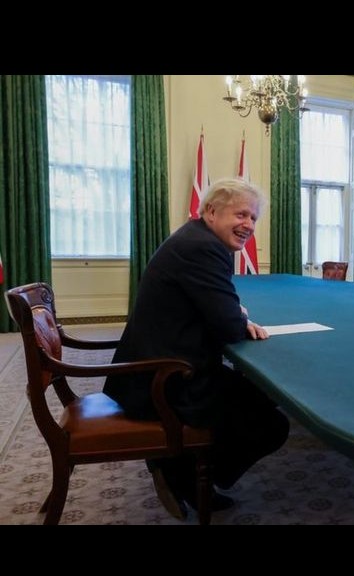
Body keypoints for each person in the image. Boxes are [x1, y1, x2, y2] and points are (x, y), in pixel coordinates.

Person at [103, 177, 290, 520]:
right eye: (241, 215)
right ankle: (180, 471)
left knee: (261, 395)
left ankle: (182, 466)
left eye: (253, 218)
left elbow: (220, 312)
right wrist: (237, 315)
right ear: (211, 212)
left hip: (156, 365)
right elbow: (228, 326)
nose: (249, 225)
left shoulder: (195, 238)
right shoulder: (203, 248)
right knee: (272, 424)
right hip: (164, 379)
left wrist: (233, 313)